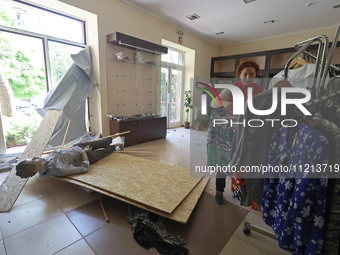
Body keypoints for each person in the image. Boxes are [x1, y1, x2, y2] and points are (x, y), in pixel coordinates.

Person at [206, 60, 264, 205]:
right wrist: (225, 103)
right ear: (240, 74)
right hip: (229, 133)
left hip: (247, 132)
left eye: (252, 74)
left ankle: (236, 187)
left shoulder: (260, 90)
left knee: (240, 162)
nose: (248, 77)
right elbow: (213, 103)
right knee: (223, 161)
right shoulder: (233, 88)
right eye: (245, 74)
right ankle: (219, 190)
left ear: (256, 75)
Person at [16, 137, 117, 178]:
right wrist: (84, 153)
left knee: (103, 141)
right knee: (106, 151)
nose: (34, 157)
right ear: (35, 168)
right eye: (33, 160)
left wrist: (79, 148)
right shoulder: (59, 169)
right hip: (85, 155)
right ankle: (117, 145)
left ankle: (114, 139)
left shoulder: (45, 160)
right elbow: (84, 168)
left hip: (78, 147)